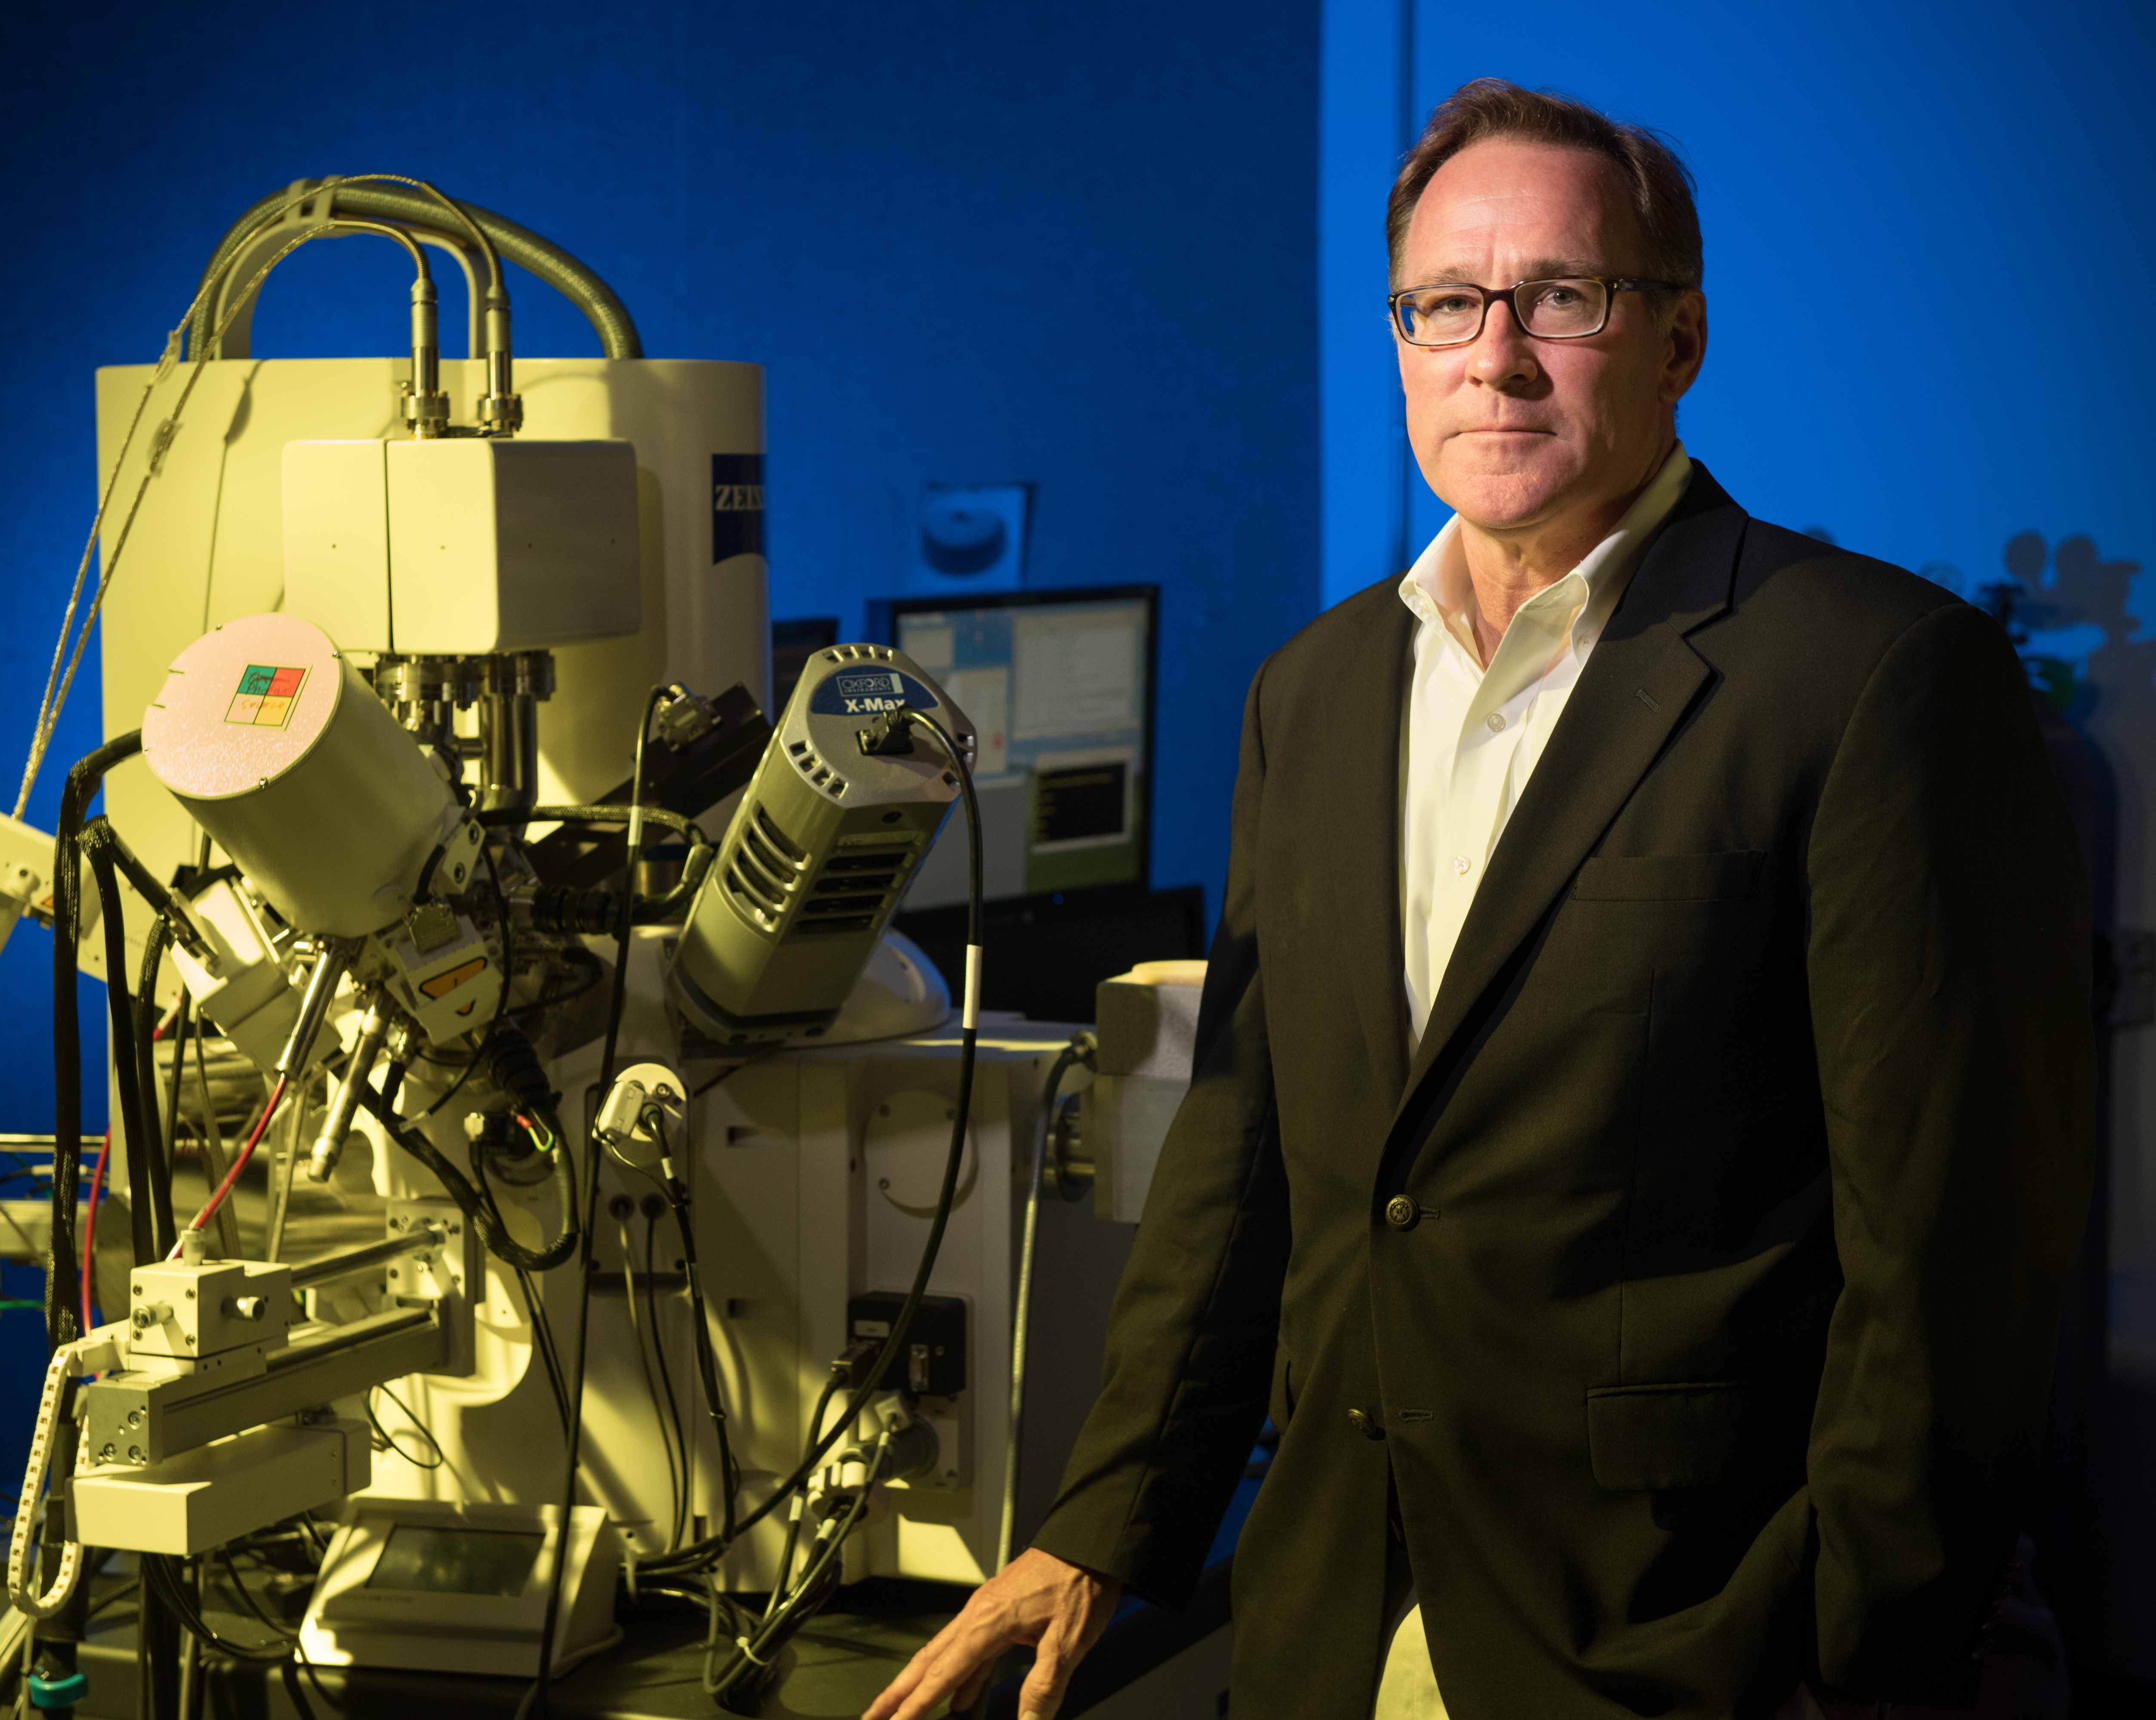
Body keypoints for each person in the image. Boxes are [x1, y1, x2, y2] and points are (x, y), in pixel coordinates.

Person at [863, 78, 2093, 1720]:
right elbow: (1244, 1163)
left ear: (1680, 337)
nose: (1495, 355)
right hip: (1340, 1615)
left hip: (1692, 1634)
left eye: (1563, 298)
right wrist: (1104, 1526)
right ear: (1400, 340)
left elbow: (1950, 1255)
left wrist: (1851, 1653)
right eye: (1447, 303)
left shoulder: (1868, 675)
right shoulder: (1314, 692)